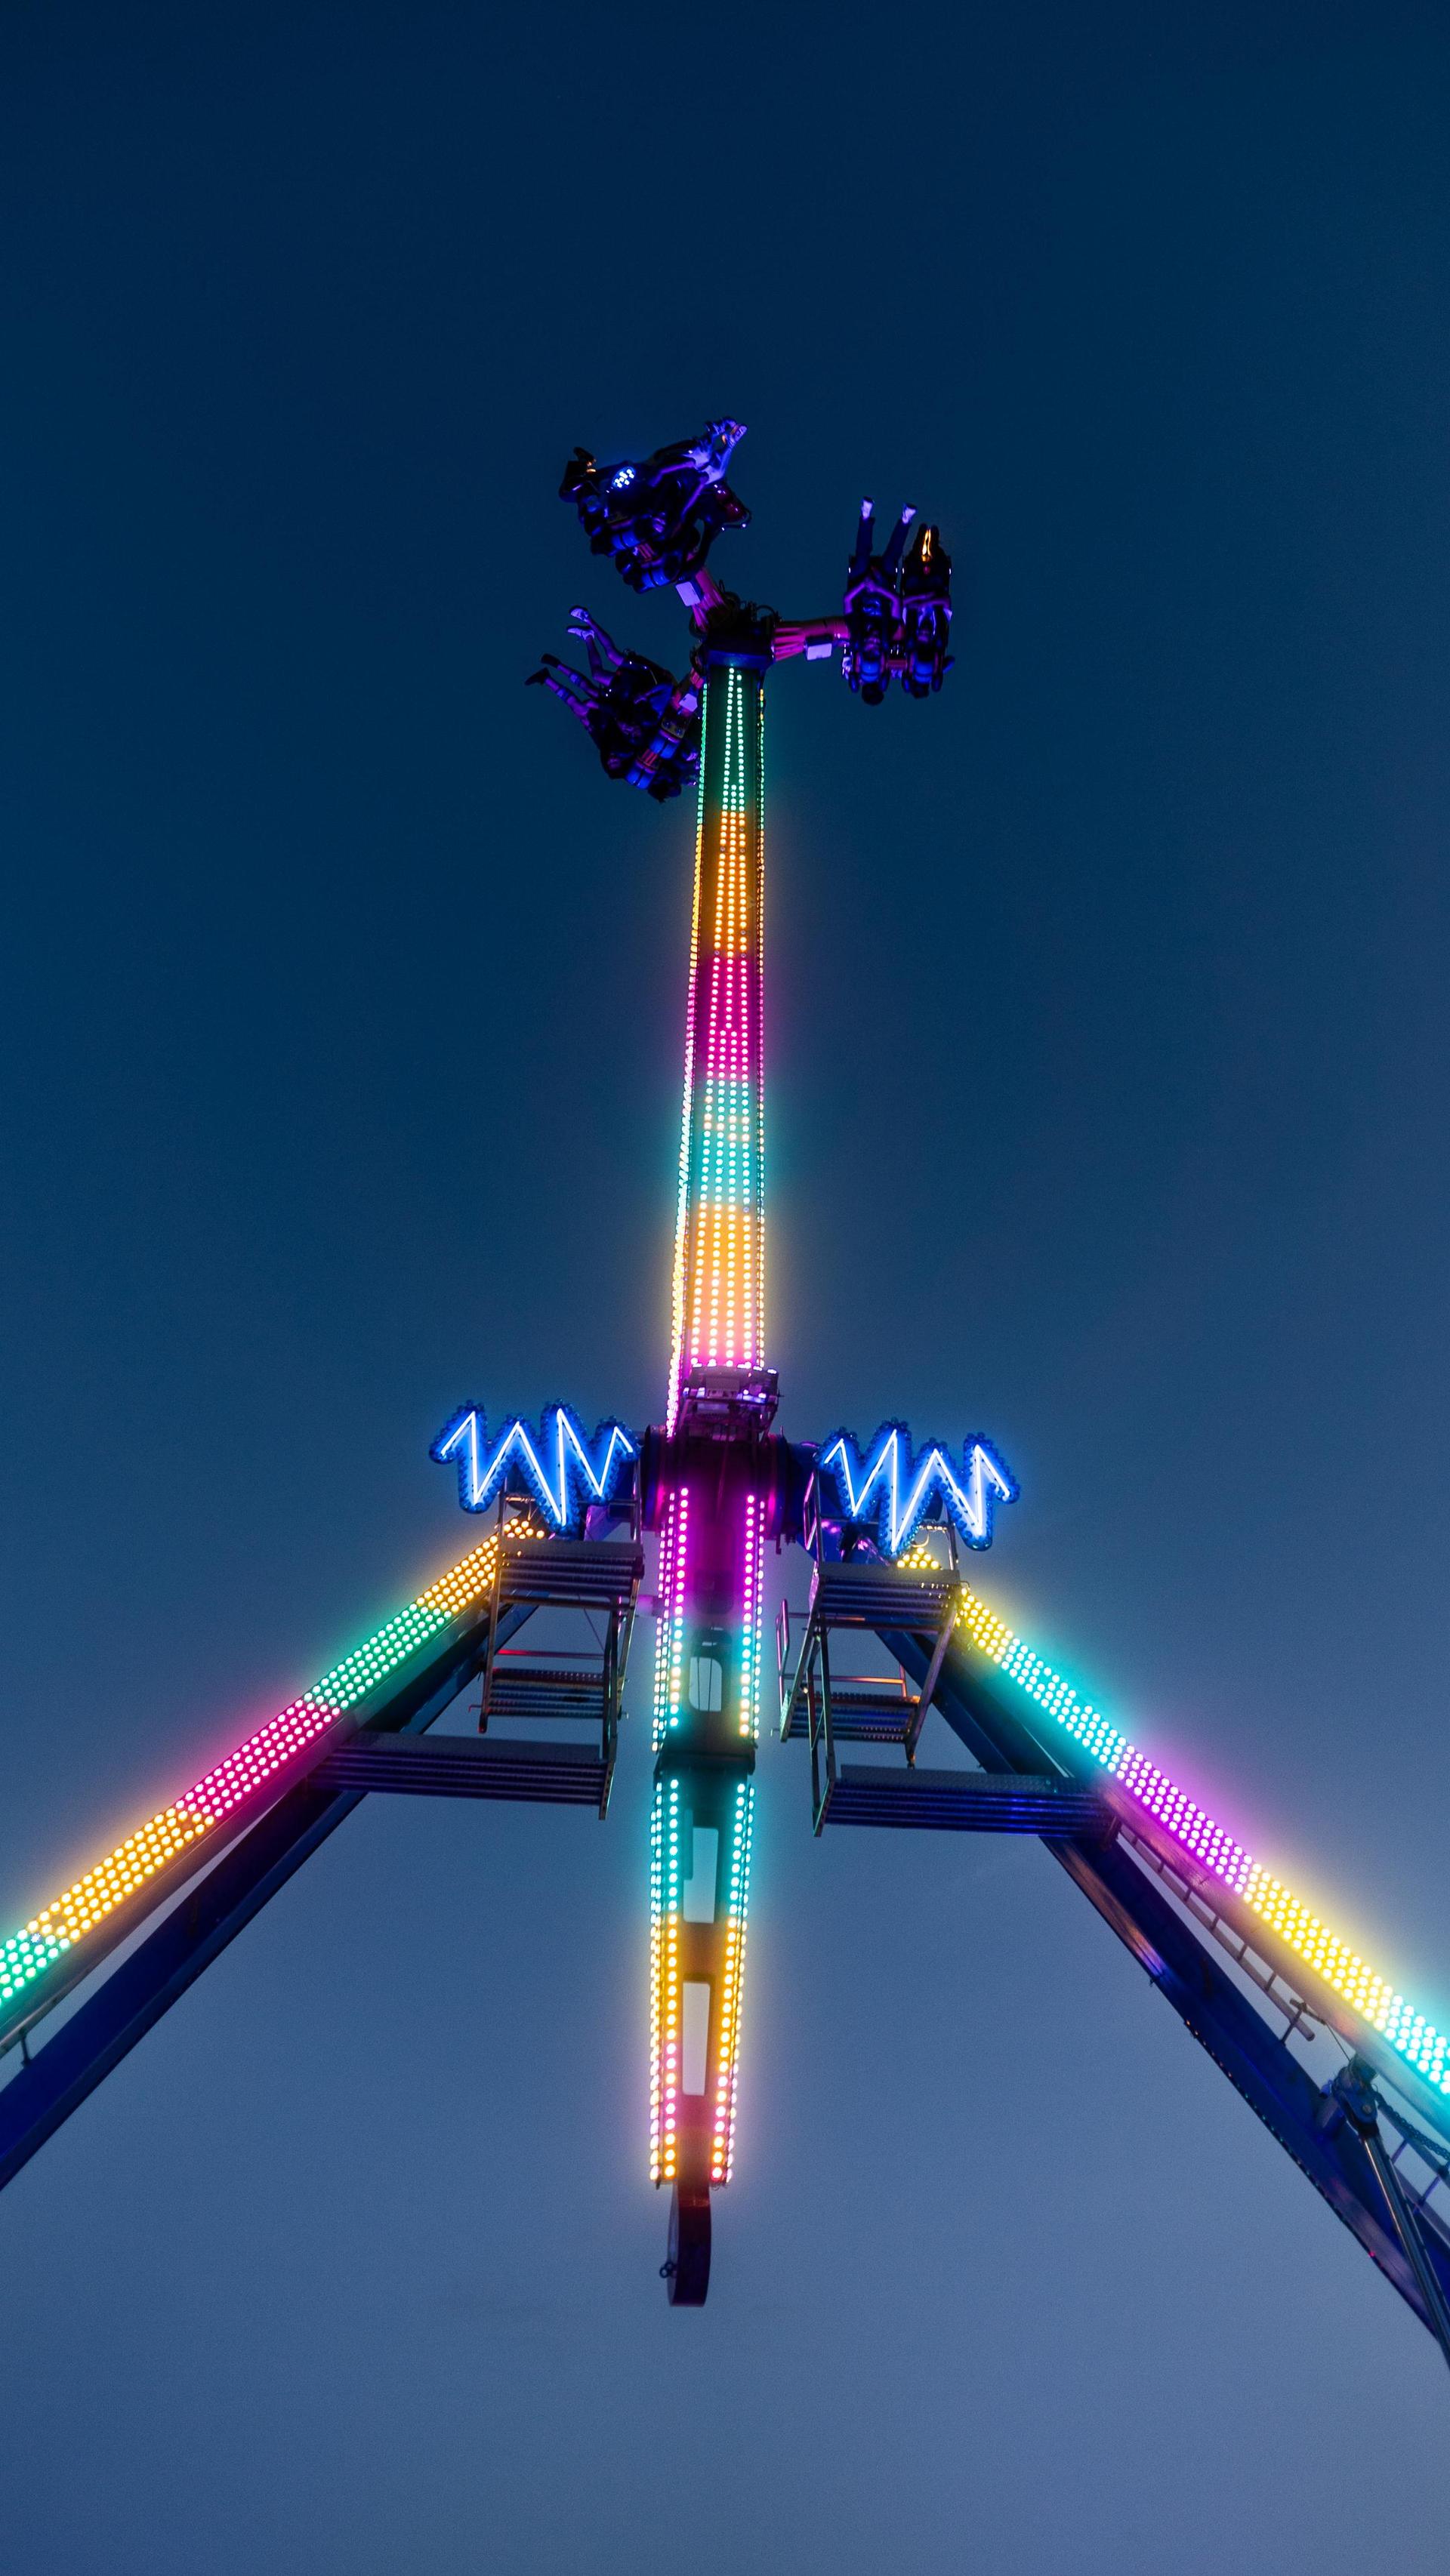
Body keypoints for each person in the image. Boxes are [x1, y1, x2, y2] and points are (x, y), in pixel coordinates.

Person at [526, 610, 701, 799]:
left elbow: (602, 711)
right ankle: (588, 619)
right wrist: (645, 696)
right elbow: (666, 688)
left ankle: (586, 639)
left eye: (610, 763)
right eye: (631, 732)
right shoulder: (650, 717)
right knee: (613, 656)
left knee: (595, 679)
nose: (612, 761)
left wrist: (602, 707)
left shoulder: (616, 735)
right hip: (648, 680)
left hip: (629, 691)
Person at [559, 421, 750, 591]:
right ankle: (728, 445)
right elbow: (682, 511)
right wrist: (699, 482)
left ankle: (713, 435)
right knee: (712, 473)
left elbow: (654, 474)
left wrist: (684, 465)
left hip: (657, 480)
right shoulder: (667, 535)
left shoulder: (626, 516)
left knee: (664, 461)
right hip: (683, 487)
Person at [841, 498, 916, 702]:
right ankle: (905, 520)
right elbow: (897, 602)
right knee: (891, 561)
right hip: (881, 587)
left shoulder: (855, 632)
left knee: (862, 559)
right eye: (876, 649)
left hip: (860, 584)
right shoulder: (887, 633)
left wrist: (864, 586)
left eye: (869, 649)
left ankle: (865, 517)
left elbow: (847, 600)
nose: (873, 642)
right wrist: (879, 588)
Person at [898, 522, 953, 697]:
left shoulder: (910, 627)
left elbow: (905, 602)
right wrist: (929, 599)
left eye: (920, 638)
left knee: (912, 576)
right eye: (927, 640)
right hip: (934, 589)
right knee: (938, 576)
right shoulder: (940, 630)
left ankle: (920, 537)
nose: (925, 635)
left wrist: (921, 601)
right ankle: (934, 541)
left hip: (916, 589)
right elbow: (946, 601)